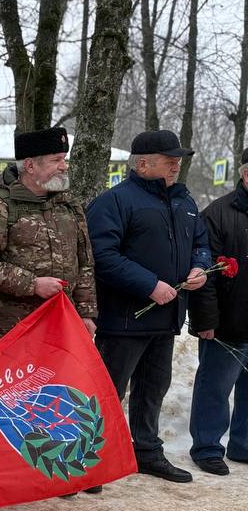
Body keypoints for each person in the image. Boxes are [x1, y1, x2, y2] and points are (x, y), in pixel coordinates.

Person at [87, 129, 210, 483]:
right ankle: (92, 460)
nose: (176, 166)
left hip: (166, 317)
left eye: (178, 160)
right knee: (109, 391)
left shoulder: (185, 202)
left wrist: (200, 267)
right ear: (142, 164)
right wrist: (149, 285)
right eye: (169, 160)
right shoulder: (114, 202)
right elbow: (101, 255)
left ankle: (147, 452)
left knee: (153, 389)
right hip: (123, 320)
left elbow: (201, 244)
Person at [0, 126, 96, 349]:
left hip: (63, 325)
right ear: (30, 166)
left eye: (64, 159)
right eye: (56, 160)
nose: (64, 166)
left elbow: (84, 262)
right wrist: (32, 284)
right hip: (13, 330)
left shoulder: (69, 206)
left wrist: (86, 313)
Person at [187, 148, 248, 475]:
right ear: (246, 174)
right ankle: (207, 447)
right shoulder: (217, 214)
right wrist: (205, 320)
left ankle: (243, 445)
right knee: (215, 387)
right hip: (227, 322)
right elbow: (204, 275)